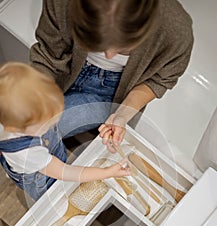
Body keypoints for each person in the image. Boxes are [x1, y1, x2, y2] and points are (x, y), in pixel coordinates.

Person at [30, 0, 194, 151]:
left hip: (116, 91)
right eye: (96, 43)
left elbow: (158, 80)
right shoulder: (62, 3)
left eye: (123, 48)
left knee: (47, 132)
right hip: (65, 69)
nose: (109, 56)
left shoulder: (176, 31)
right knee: (31, 131)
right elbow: (47, 56)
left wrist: (122, 114)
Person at [0, 62, 131, 201]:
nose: (53, 122)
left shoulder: (9, 115)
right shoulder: (27, 153)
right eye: (44, 123)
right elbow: (66, 172)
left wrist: (2, 139)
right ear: (13, 127)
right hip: (42, 180)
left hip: (42, 157)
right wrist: (106, 172)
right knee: (56, 196)